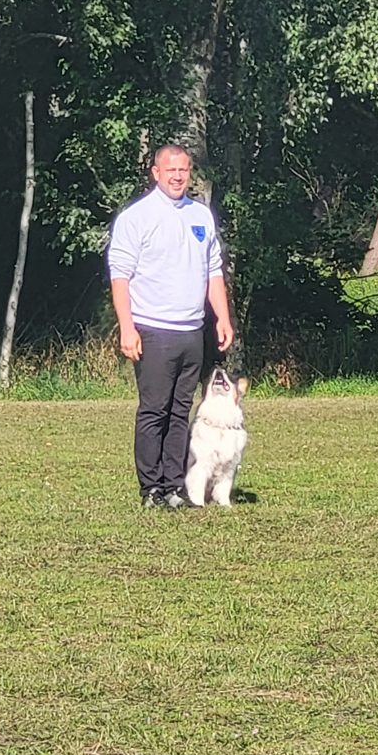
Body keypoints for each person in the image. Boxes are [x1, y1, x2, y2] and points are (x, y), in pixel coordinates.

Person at [108, 145, 235, 509]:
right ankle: (151, 489)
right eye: (170, 170)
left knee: (181, 412)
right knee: (155, 410)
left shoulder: (200, 215)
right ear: (156, 173)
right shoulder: (137, 217)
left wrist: (222, 317)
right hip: (153, 330)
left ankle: (174, 487)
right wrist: (127, 327)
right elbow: (120, 276)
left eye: (183, 170)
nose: (178, 176)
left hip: (192, 331)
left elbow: (213, 271)